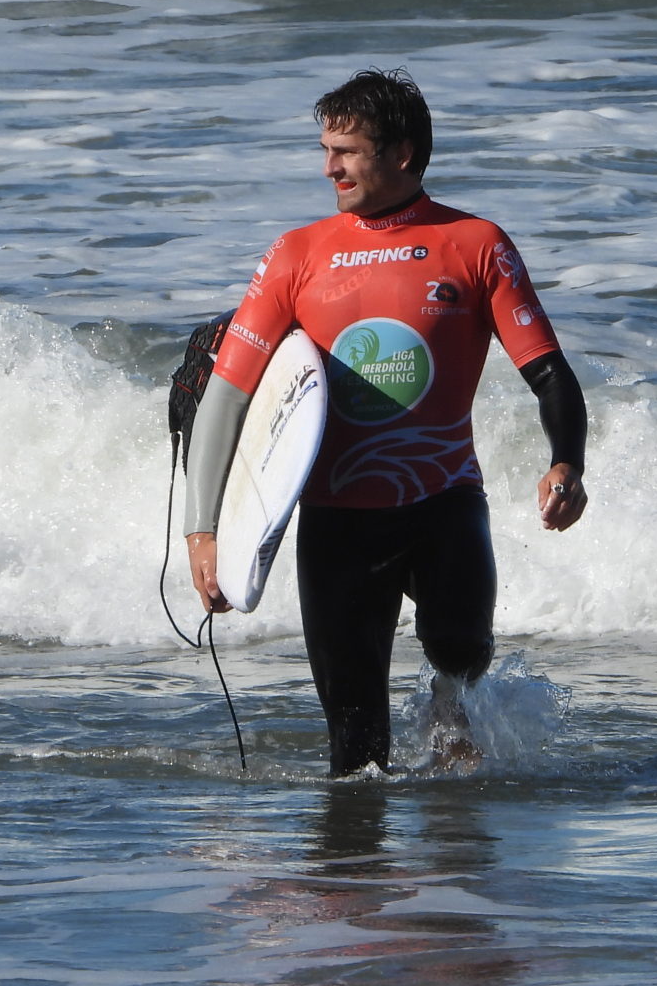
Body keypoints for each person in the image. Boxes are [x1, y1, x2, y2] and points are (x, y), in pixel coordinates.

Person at [181, 69, 588, 775]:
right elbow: (228, 394)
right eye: (325, 149)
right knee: (356, 754)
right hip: (338, 519)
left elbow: (548, 371)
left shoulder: (474, 243)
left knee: (462, 654)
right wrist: (204, 533)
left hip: (443, 501)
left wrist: (567, 463)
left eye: (347, 150)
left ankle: (447, 754)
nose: (329, 166)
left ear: (401, 152)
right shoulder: (297, 254)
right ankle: (353, 879)